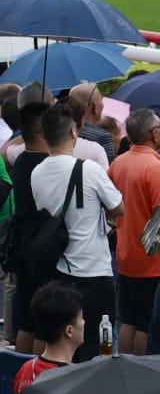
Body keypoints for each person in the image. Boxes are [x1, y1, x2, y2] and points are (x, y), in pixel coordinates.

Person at [33, 104, 122, 350]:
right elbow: (119, 206)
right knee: (100, 344)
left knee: (66, 345)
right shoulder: (90, 169)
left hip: (60, 269)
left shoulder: (37, 173)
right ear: (73, 133)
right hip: (94, 272)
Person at [108, 108, 160, 357]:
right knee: (145, 323)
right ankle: (141, 371)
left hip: (125, 255)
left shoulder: (118, 163)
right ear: (153, 134)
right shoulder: (155, 168)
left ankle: (123, 367)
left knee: (128, 320)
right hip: (151, 259)